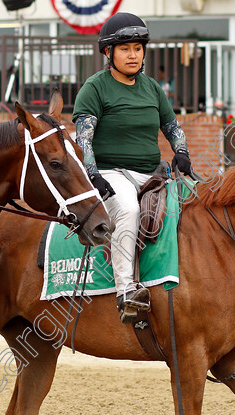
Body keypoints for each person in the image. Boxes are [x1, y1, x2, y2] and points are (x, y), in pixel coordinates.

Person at [73, 12, 195, 322]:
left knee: (198, 203)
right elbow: (83, 139)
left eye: (138, 48)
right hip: (112, 175)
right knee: (128, 210)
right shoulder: (94, 88)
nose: (133, 55)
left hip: (154, 174)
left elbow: (172, 126)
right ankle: (126, 292)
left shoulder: (152, 88)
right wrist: (93, 174)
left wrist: (181, 151)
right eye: (125, 48)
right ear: (108, 52)